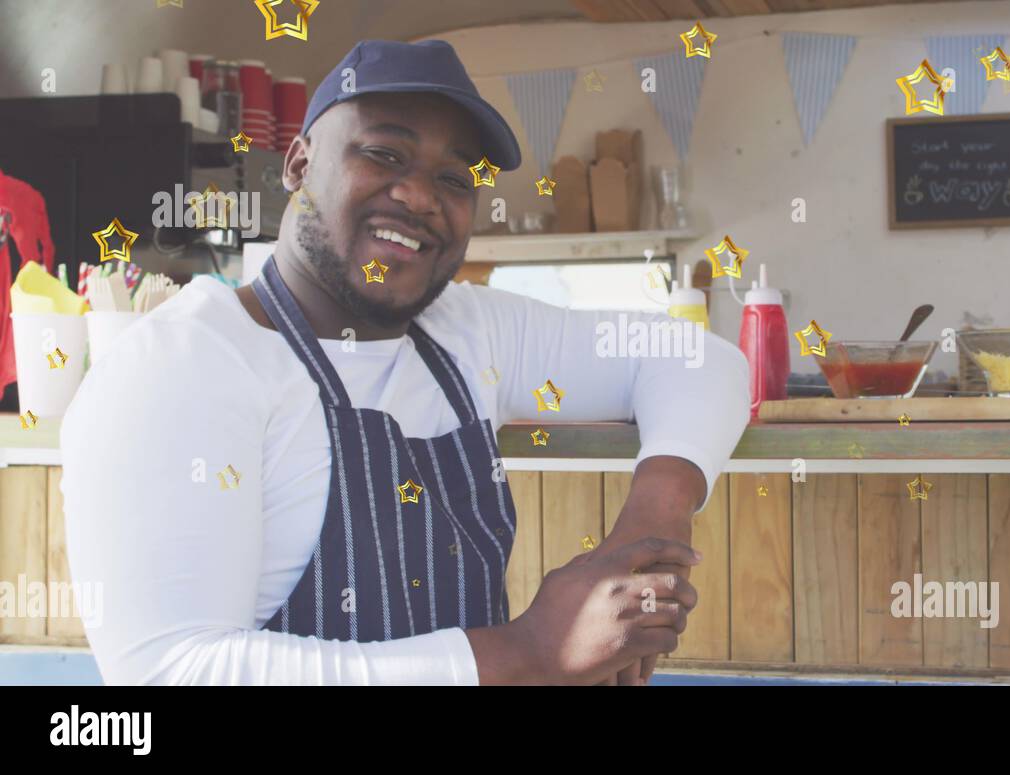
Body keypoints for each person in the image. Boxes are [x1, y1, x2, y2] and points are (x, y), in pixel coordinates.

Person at [60, 40, 750, 685]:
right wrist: (531, 648)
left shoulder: (466, 330)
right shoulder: (185, 364)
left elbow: (695, 358)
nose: (420, 196)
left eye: (454, 177)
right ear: (299, 163)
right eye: (385, 155)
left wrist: (647, 530)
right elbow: (176, 671)